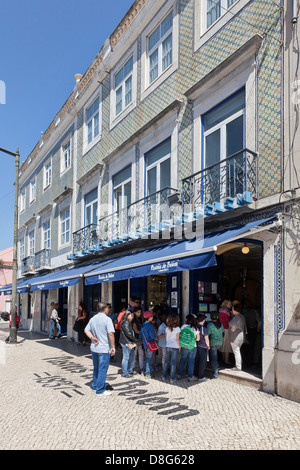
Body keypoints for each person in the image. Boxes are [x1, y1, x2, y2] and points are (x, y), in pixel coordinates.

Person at [84, 302, 115, 396]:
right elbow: (110, 333)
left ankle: (95, 386)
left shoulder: (93, 319)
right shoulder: (107, 319)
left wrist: (92, 338)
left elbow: (86, 330)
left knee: (96, 368)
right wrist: (113, 346)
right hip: (104, 348)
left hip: (94, 348)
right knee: (103, 369)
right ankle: (100, 390)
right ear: (105, 309)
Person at [177, 314, 199, 381]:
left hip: (184, 346)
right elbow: (198, 339)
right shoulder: (195, 328)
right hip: (192, 346)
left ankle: (179, 375)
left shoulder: (183, 326)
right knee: (191, 361)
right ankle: (190, 376)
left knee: (182, 360)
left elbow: (180, 335)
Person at [161, 314, 181, 384]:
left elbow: (166, 338)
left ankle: (163, 376)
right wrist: (179, 346)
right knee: (173, 363)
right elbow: (178, 339)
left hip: (168, 346)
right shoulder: (178, 329)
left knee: (166, 362)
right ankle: (171, 378)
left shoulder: (167, 328)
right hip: (175, 347)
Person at [228, 300, 247, 371]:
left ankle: (238, 367)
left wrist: (232, 329)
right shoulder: (242, 316)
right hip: (241, 336)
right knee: (238, 350)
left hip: (235, 336)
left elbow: (233, 328)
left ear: (234, 309)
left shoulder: (236, 317)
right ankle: (239, 363)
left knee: (236, 351)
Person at [140, 310, 157, 378]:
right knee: (149, 358)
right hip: (151, 344)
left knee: (147, 358)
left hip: (145, 343)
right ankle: (148, 373)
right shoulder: (150, 326)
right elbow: (153, 336)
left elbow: (140, 335)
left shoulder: (143, 325)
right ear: (149, 317)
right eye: (151, 316)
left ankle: (144, 371)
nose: (152, 317)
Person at [120, 310, 137, 377]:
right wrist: (135, 339)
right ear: (127, 315)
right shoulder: (125, 323)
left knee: (131, 357)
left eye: (132, 316)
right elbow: (129, 334)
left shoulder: (127, 322)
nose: (132, 317)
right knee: (126, 357)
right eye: (131, 315)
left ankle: (130, 371)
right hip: (126, 342)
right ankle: (125, 372)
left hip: (129, 342)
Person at [207, 311, 224, 378]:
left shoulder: (209, 325)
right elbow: (223, 334)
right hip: (220, 343)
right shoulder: (221, 324)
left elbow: (208, 335)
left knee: (213, 359)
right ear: (217, 317)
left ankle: (215, 374)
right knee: (216, 356)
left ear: (211, 318)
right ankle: (217, 366)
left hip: (213, 343)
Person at [195, 313, 210, 382]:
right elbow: (206, 339)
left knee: (197, 360)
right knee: (202, 362)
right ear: (203, 320)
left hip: (197, 346)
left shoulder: (195, 327)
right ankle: (201, 376)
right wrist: (208, 346)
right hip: (203, 346)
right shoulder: (204, 329)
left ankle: (195, 374)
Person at [218, 299, 232, 365]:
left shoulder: (220, 311)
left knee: (222, 345)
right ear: (226, 304)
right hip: (226, 328)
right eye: (230, 304)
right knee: (226, 346)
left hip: (221, 328)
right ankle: (226, 361)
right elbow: (228, 321)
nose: (231, 305)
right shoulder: (226, 312)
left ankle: (223, 359)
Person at [132, 307, 144, 372]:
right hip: (135, 339)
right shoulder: (133, 320)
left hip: (140, 338)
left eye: (140, 312)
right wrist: (143, 332)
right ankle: (133, 367)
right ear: (134, 312)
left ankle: (141, 366)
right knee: (134, 353)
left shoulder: (140, 319)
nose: (139, 313)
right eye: (138, 312)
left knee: (141, 353)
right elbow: (136, 330)